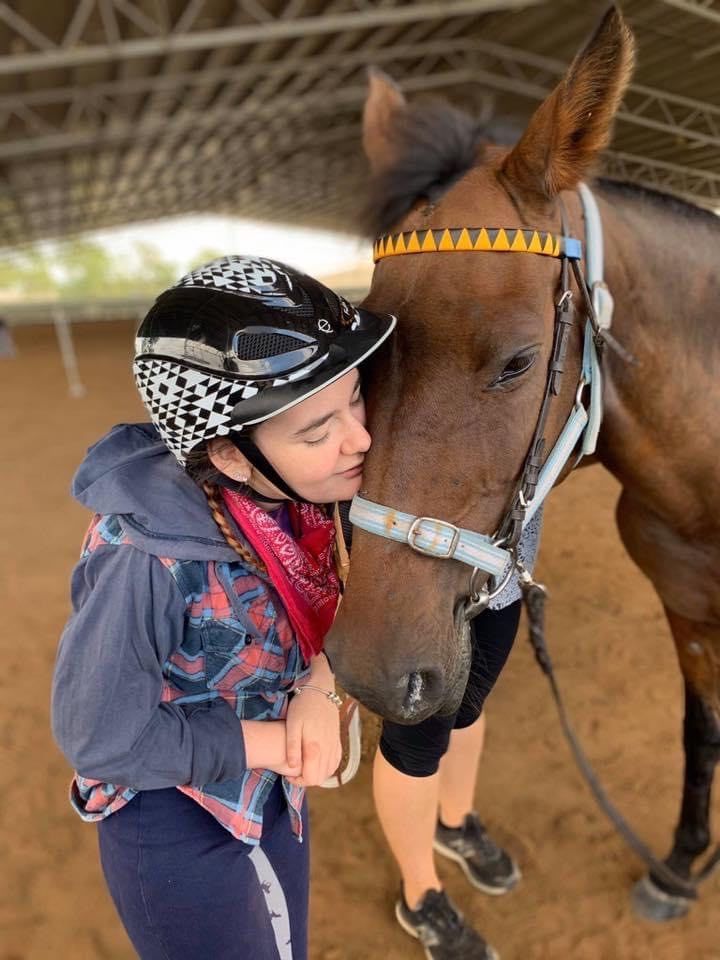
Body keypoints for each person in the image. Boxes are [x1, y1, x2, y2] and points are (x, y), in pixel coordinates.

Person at [51, 255, 395, 960]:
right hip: (173, 818)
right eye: (316, 431)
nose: (359, 438)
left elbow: (349, 597)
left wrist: (321, 686)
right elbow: (102, 739)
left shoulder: (310, 495)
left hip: (269, 793)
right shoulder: (145, 559)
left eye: (355, 397)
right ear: (230, 457)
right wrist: (279, 742)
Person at [374, 519, 542, 960]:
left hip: (502, 569)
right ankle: (420, 895)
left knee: (468, 706)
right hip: (416, 580)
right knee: (416, 740)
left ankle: (454, 823)